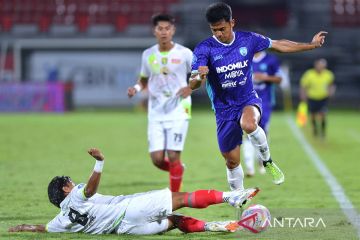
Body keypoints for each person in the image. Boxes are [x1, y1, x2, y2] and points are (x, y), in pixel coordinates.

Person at [189, 2, 327, 189]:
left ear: (232, 23)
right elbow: (193, 84)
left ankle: (267, 161)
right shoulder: (204, 49)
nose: (219, 34)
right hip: (223, 109)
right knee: (231, 162)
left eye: (222, 28)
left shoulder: (248, 39)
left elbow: (279, 45)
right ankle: (238, 204)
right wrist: (199, 77)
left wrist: (311, 45)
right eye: (214, 30)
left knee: (249, 124)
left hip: (247, 99)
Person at [8, 148, 259, 235]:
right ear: (65, 189)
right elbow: (90, 189)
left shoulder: (60, 221)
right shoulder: (75, 195)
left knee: (172, 221)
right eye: (69, 182)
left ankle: (213, 227)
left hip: (127, 229)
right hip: (129, 210)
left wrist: (21, 227)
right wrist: (99, 162)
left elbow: (42, 228)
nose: (73, 184)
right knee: (180, 199)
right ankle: (231, 197)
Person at [127, 14, 193, 192]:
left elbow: (198, 75)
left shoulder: (184, 53)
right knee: (157, 159)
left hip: (179, 109)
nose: (164, 32)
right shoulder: (148, 55)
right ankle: (178, 169)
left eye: (167, 28)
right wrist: (135, 88)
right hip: (156, 112)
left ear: (173, 30)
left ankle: (174, 197)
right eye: (160, 29)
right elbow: (143, 81)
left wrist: (191, 88)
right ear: (154, 31)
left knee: (173, 155)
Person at [243, 49, 282, 177]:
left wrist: (265, 77)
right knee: (247, 130)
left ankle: (261, 162)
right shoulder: (244, 58)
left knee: (262, 132)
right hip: (246, 100)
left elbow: (279, 78)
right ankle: (249, 167)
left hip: (265, 101)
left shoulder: (271, 59)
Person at [300, 58, 335, 138]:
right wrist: (303, 95)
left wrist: (331, 92)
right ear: (316, 65)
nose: (321, 67)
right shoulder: (309, 74)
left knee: (323, 114)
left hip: (323, 98)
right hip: (312, 98)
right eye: (319, 65)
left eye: (323, 66)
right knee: (312, 115)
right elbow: (304, 86)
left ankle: (323, 132)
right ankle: (315, 129)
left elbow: (331, 84)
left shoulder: (328, 74)